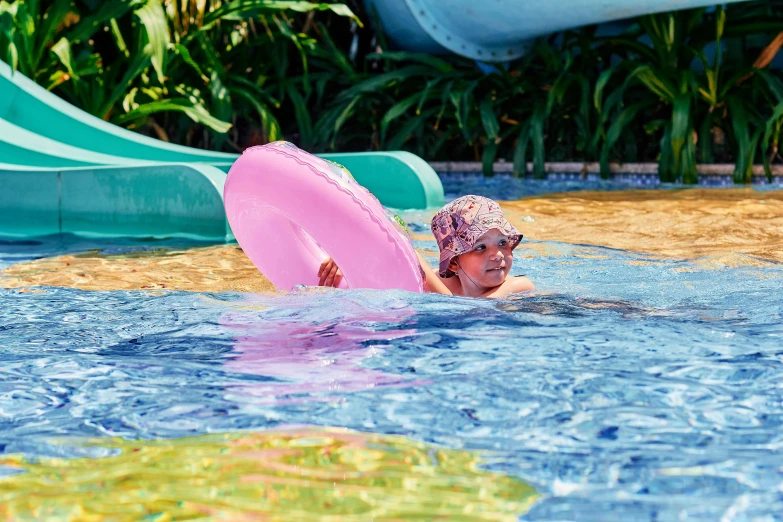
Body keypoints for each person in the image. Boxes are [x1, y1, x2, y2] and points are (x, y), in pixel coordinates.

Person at [318, 195, 535, 298]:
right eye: (480, 247)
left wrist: (414, 255)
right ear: (454, 264)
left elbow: (471, 311)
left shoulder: (520, 287)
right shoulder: (438, 280)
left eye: (503, 243)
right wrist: (347, 257)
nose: (497, 255)